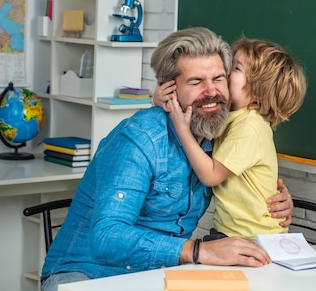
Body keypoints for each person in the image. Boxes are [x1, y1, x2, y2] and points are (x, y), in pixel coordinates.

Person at [40, 27, 294, 291]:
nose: (211, 91)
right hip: (86, 275)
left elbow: (244, 176)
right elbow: (107, 236)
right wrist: (198, 251)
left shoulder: (216, 136)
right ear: (169, 89)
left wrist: (277, 201)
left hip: (156, 277)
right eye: (196, 82)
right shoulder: (140, 140)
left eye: (219, 78)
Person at [156, 38, 307, 242]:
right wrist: (159, 99)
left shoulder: (249, 127)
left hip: (254, 238)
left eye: (236, 68)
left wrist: (182, 130)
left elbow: (211, 176)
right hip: (238, 233)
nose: (225, 72)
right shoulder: (229, 116)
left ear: (258, 92)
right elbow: (187, 105)